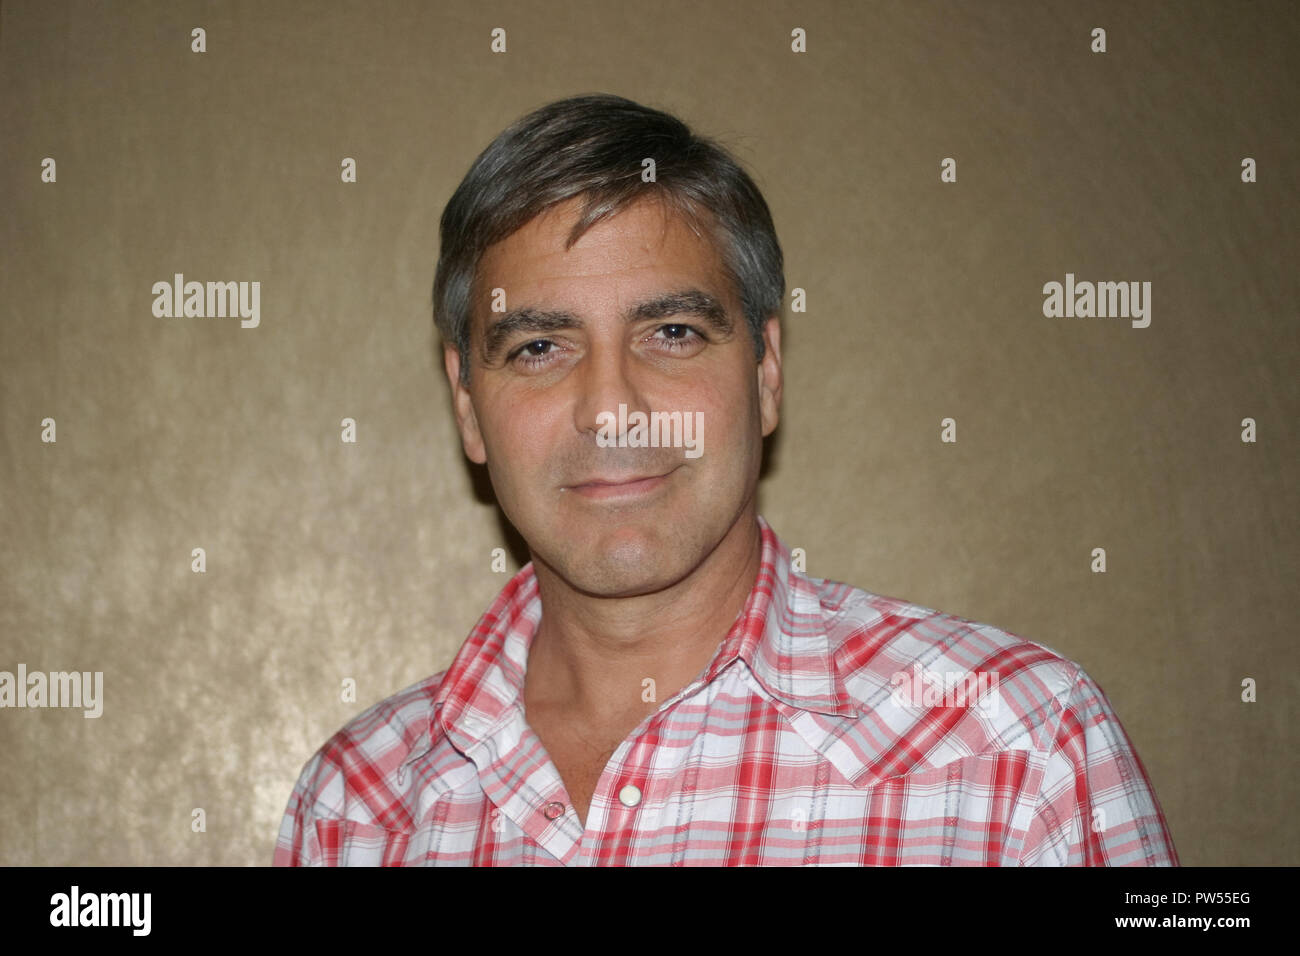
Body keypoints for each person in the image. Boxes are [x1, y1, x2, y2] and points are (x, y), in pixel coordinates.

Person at [273, 93, 1178, 866]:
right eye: (540, 347)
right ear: (468, 406)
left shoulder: (1018, 749)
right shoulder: (357, 807)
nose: (612, 409)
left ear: (767, 370)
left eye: (672, 333)